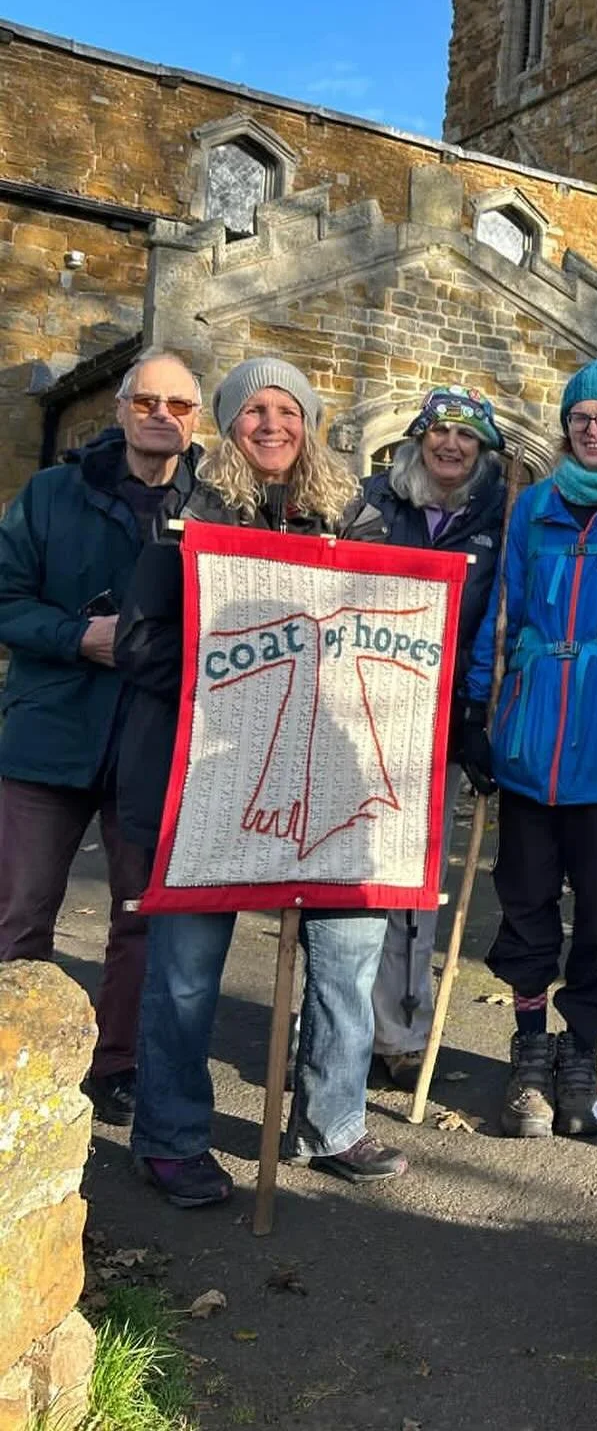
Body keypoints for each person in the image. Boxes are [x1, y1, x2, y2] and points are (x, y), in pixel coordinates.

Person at [116, 357, 406, 1207]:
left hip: (332, 771)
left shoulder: (361, 523)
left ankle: (332, 1122)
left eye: (288, 409)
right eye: (253, 410)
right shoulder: (187, 518)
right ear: (231, 424)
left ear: (309, 423)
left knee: (349, 955)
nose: (271, 424)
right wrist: (236, 677)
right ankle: (169, 1137)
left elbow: (395, 627)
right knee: (186, 967)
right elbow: (140, 644)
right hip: (209, 772)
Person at [462, 358, 597, 1141]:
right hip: (529, 733)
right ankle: (526, 1048)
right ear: (567, 426)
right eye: (581, 417)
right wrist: (482, 714)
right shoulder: (535, 506)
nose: (593, 429)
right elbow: (505, 615)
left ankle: (582, 1051)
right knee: (522, 903)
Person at [0, 348, 203, 1127]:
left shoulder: (211, 511)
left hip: (152, 740)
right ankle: (16, 1056)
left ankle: (118, 1065)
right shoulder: (54, 493)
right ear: (119, 409)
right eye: (146, 401)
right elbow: (5, 598)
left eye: (178, 406)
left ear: (193, 421)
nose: (161, 415)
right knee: (20, 909)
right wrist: (77, 634)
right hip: (52, 732)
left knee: (140, 914)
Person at [349, 385, 507, 1088]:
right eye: (440, 433)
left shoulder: (497, 520)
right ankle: (337, 1028)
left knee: (415, 885)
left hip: (440, 721)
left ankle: (401, 1032)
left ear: (482, 450)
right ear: (418, 438)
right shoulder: (373, 502)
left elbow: (495, 624)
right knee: (350, 875)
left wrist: (474, 719)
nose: (451, 446)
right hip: (361, 712)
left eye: (466, 438)